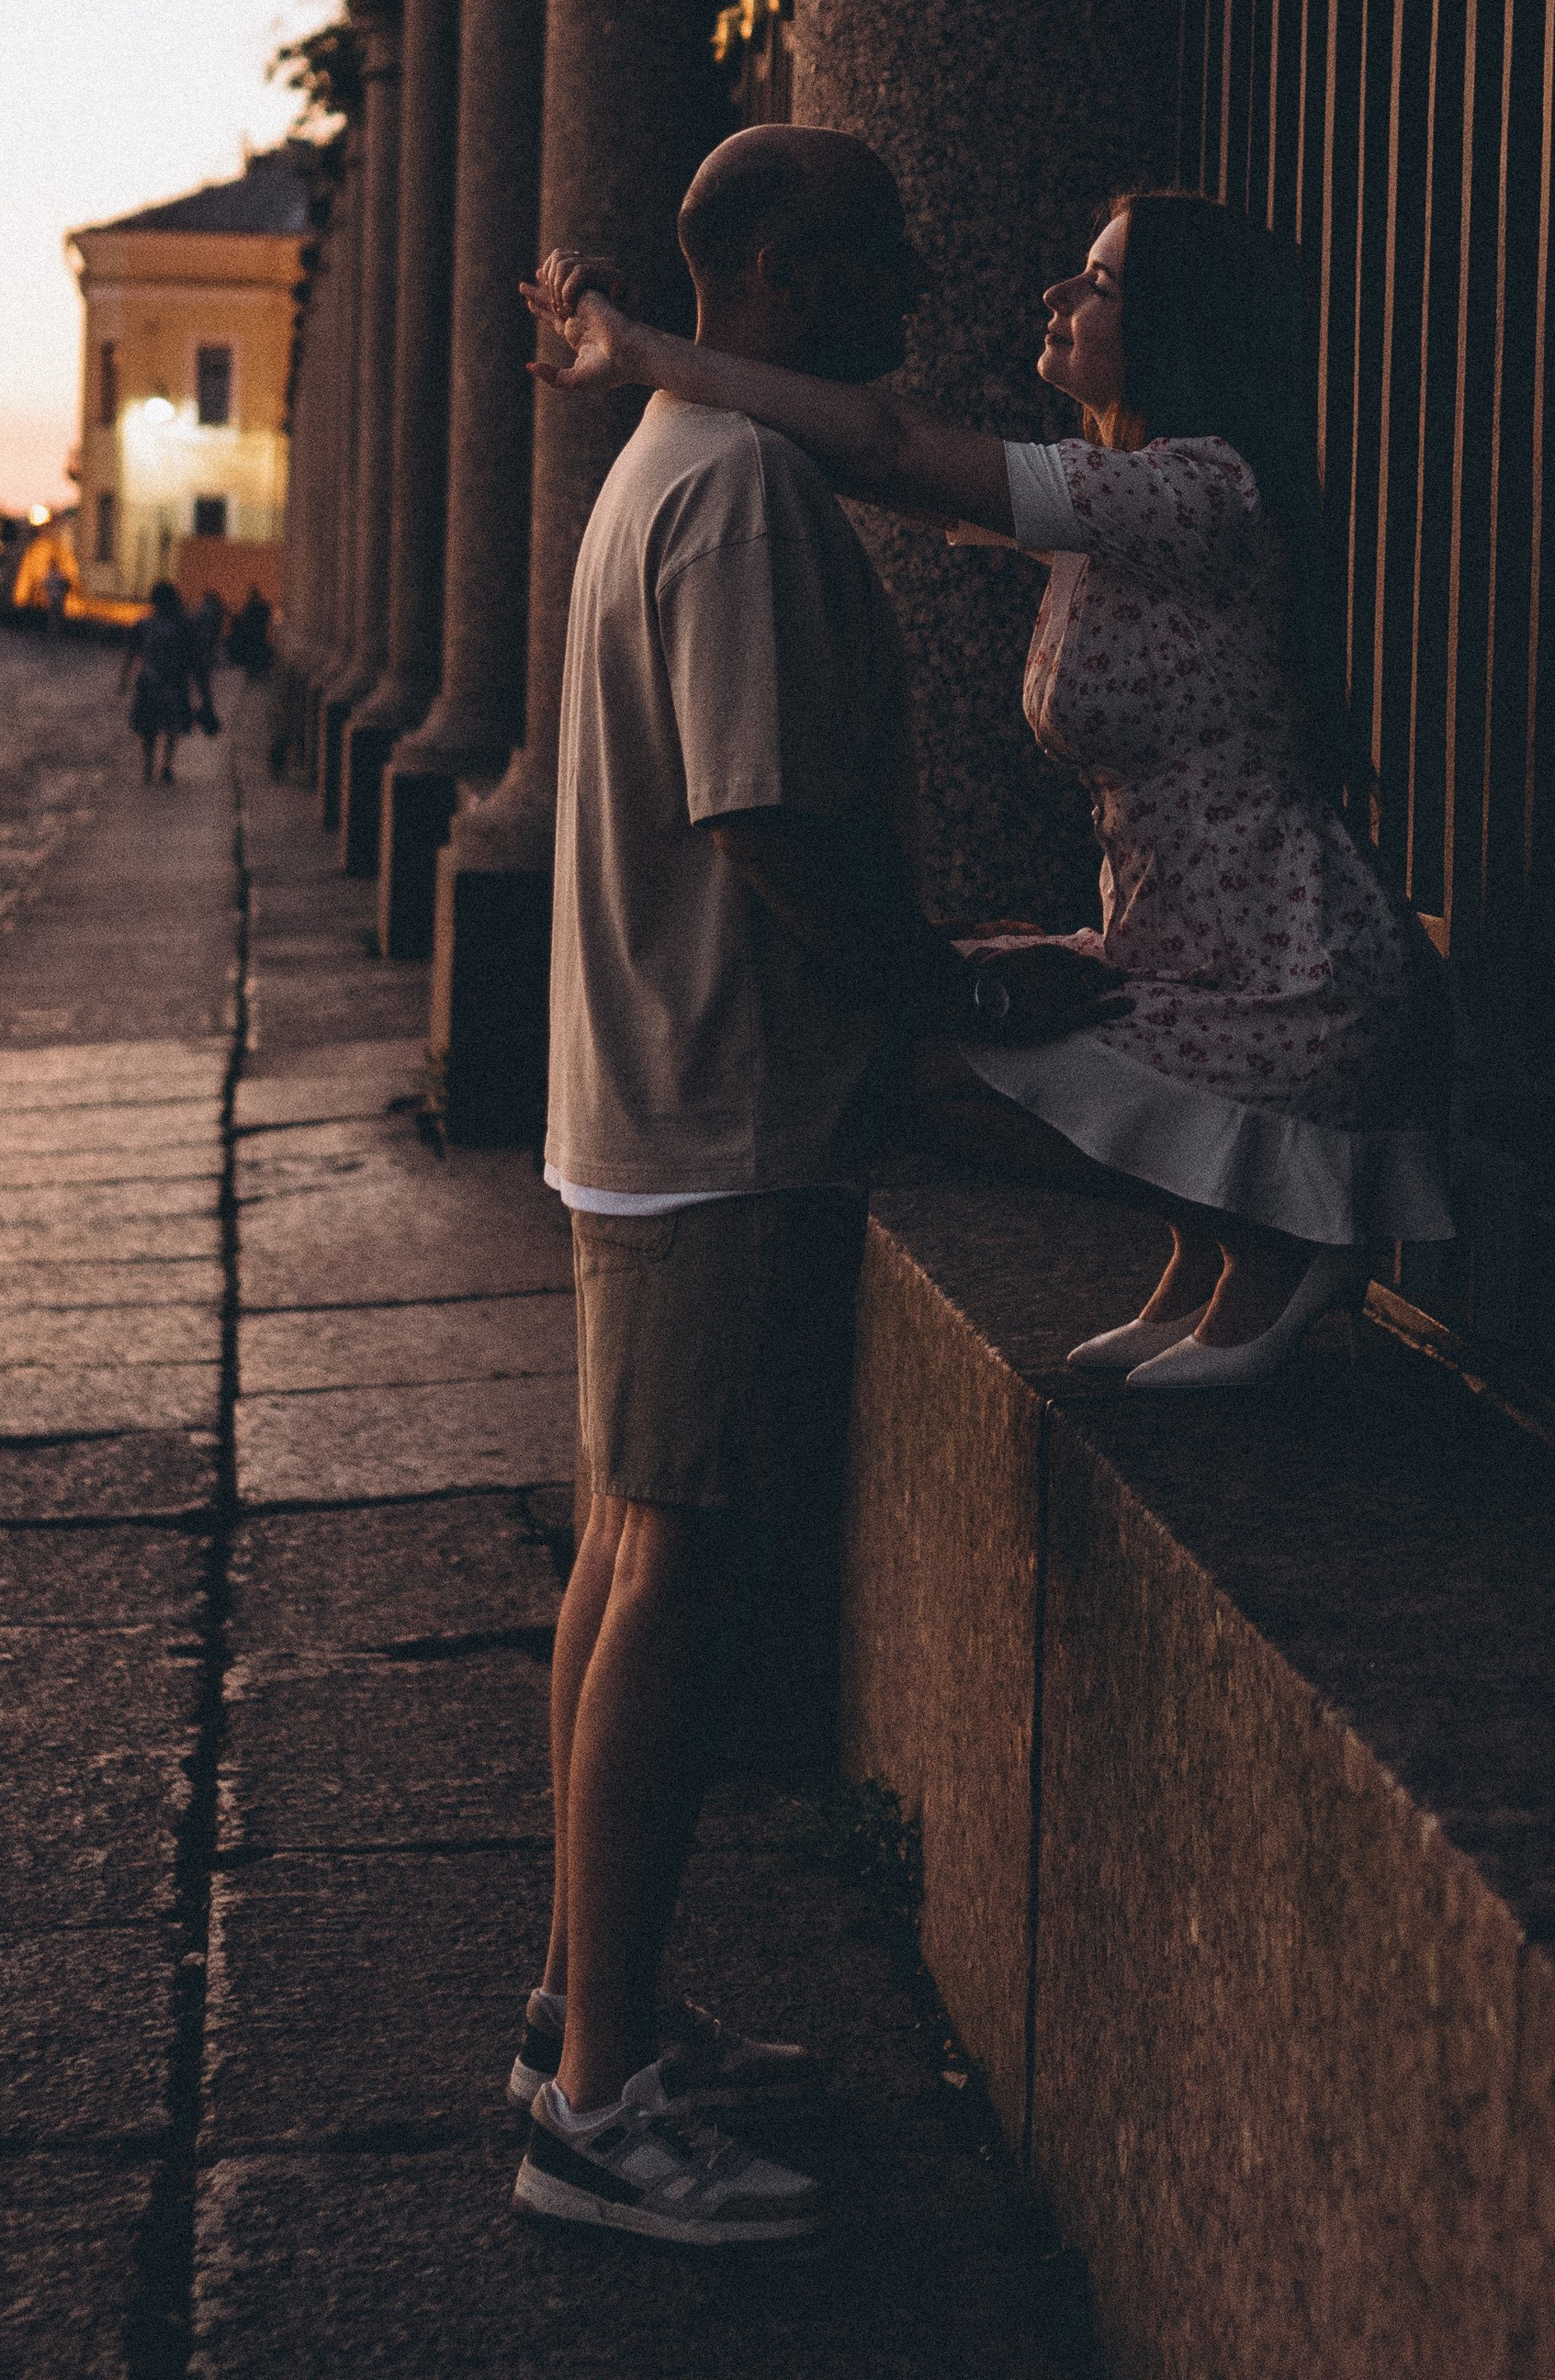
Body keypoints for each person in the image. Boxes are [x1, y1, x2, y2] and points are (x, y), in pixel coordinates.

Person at [505, 127, 1118, 2251]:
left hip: (642, 1097)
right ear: (764, 263)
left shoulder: (665, 456)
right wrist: (942, 981)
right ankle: (594, 2109)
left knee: (621, 1549)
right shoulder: (742, 485)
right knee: (667, 1572)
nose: (912, 272)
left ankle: (596, 2007)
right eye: (868, 246)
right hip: (715, 1108)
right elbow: (767, 815)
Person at [531, 183, 1452, 1398]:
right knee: (937, 1009)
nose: (1057, 295)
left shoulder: (1197, 492)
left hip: (1289, 972)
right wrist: (681, 355)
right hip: (1187, 948)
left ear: (1180, 325)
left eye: (1102, 284)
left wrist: (653, 351)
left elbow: (892, 444)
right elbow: (886, 473)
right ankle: (1216, 1237)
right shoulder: (1112, 503)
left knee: (904, 1063)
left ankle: (1277, 1229)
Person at [120, 579, 199, 784]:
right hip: (175, 681)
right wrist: (199, 687)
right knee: (172, 726)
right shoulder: (183, 624)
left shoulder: (144, 624)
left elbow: (131, 652)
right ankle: (166, 765)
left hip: (149, 680)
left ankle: (148, 764)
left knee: (149, 727)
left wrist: (124, 678)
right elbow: (192, 658)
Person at [189, 589, 227, 738]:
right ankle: (206, 708)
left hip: (200, 653)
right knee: (203, 683)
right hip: (207, 653)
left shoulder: (205, 612)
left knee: (201, 682)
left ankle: (205, 710)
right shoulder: (217, 612)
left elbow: (200, 631)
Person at [226, 586, 273, 681]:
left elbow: (245, 620)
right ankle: (257, 675)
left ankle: (252, 676)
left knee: (252, 657)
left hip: (252, 636)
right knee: (257, 656)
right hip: (260, 635)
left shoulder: (250, 606)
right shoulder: (262, 605)